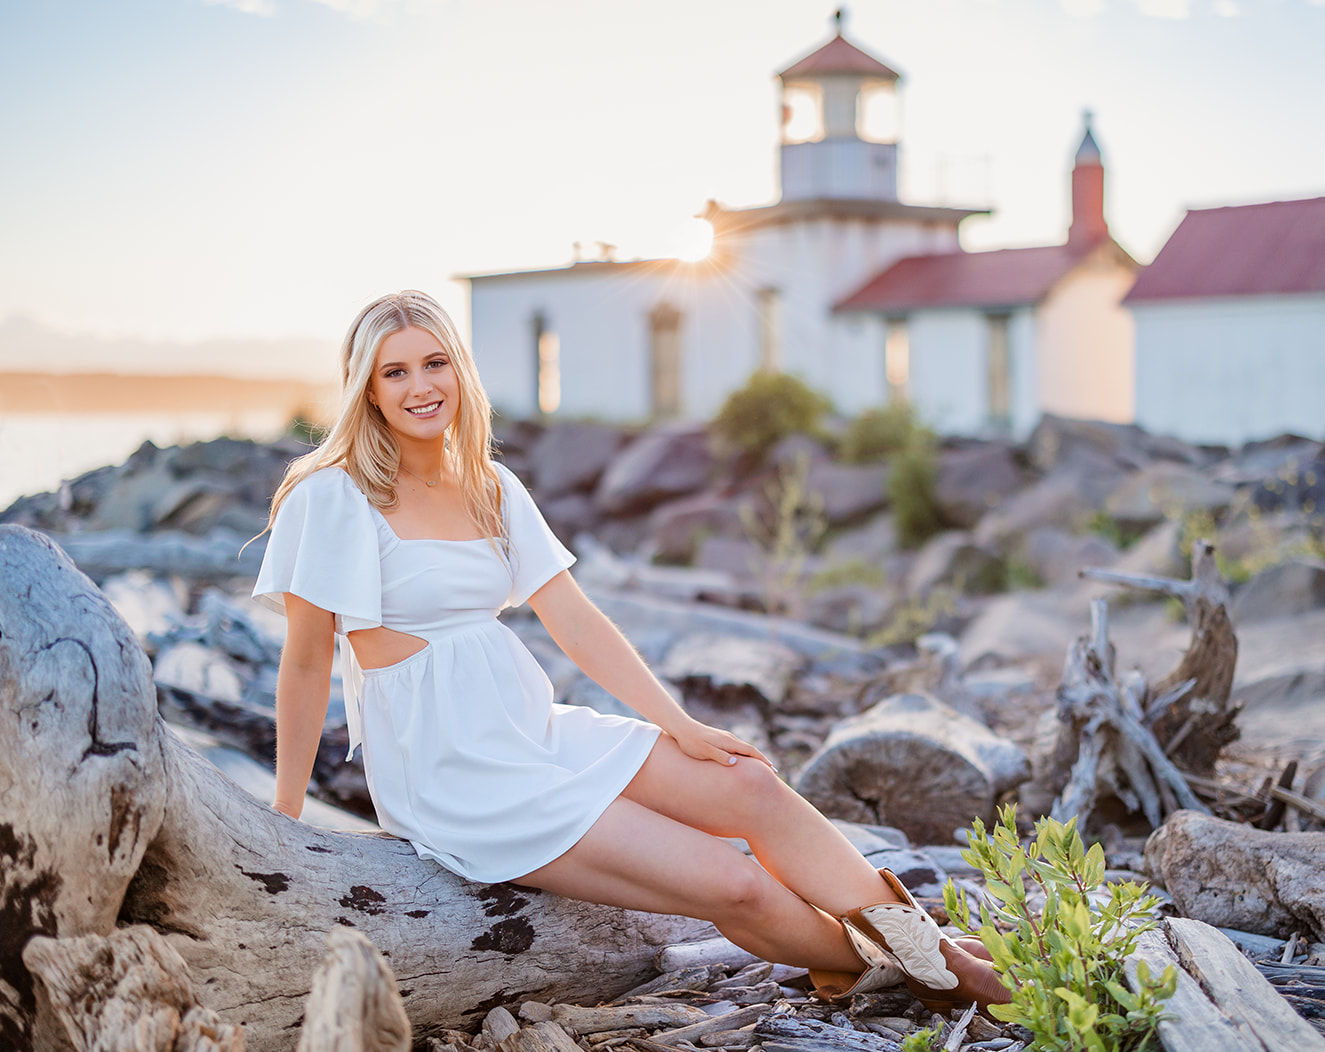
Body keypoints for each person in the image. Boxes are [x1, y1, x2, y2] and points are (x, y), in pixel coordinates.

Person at [253, 290, 1007, 1014]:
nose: (422, 386)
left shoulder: (491, 486)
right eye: (396, 371)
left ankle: (925, 950)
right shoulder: (332, 496)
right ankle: (925, 973)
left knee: (750, 785)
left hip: (530, 731)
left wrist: (680, 725)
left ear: (459, 370)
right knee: (732, 885)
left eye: (435, 362)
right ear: (368, 391)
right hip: (452, 772)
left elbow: (576, 623)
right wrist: (285, 815)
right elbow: (308, 661)